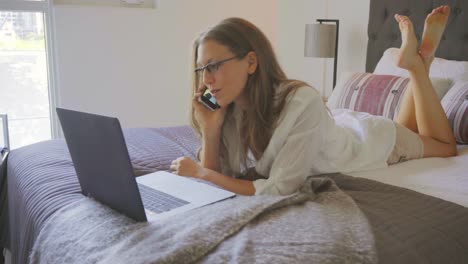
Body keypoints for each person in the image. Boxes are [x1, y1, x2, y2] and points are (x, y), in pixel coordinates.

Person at [169, 6, 456, 196]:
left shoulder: (301, 101)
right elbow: (220, 179)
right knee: (404, 129)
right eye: (201, 69)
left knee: (445, 147)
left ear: (252, 62)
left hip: (371, 144)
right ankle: (420, 62)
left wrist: (202, 173)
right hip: (348, 127)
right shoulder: (228, 108)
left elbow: (280, 189)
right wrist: (211, 130)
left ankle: (419, 66)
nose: (206, 79)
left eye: (214, 65)